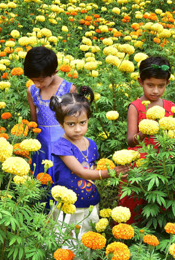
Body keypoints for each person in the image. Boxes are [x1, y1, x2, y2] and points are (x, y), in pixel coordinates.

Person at [50, 87, 129, 240]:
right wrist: (111, 172)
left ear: (88, 120)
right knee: (67, 241)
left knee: (87, 239)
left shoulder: (91, 144)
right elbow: (81, 172)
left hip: (90, 201)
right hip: (68, 206)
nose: (78, 129)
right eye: (71, 124)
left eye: (82, 123)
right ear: (61, 124)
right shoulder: (62, 146)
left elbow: (92, 168)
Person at [120, 56, 175, 224]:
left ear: (167, 83)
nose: (155, 91)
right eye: (150, 85)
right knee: (135, 201)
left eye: (161, 86)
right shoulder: (135, 106)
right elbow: (130, 141)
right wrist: (144, 132)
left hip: (163, 161)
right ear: (140, 82)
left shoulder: (170, 106)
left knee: (161, 201)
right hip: (140, 162)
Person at [24, 46, 76, 178]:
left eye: (40, 80)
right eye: (33, 80)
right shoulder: (32, 91)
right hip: (41, 145)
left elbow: (75, 121)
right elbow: (34, 122)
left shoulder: (68, 89)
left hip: (64, 143)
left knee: (63, 177)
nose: (36, 84)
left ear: (54, 72)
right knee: (42, 178)